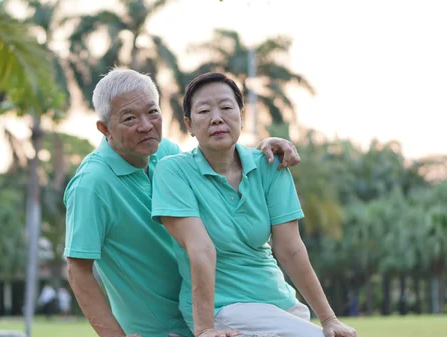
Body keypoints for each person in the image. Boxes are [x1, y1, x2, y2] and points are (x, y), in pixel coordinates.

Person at [63, 68, 302, 337]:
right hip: (158, 330)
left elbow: (216, 163)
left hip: (209, 317)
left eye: (152, 112)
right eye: (129, 118)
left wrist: (262, 151)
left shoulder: (165, 153)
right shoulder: (91, 184)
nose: (146, 125)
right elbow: (78, 270)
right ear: (105, 128)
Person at [151, 72, 358, 337]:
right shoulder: (174, 172)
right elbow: (201, 250)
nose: (217, 118)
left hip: (280, 304)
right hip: (222, 310)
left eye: (226, 107)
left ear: (242, 115)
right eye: (204, 111)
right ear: (189, 125)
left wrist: (329, 319)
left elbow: (290, 248)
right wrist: (204, 329)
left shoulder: (271, 165)